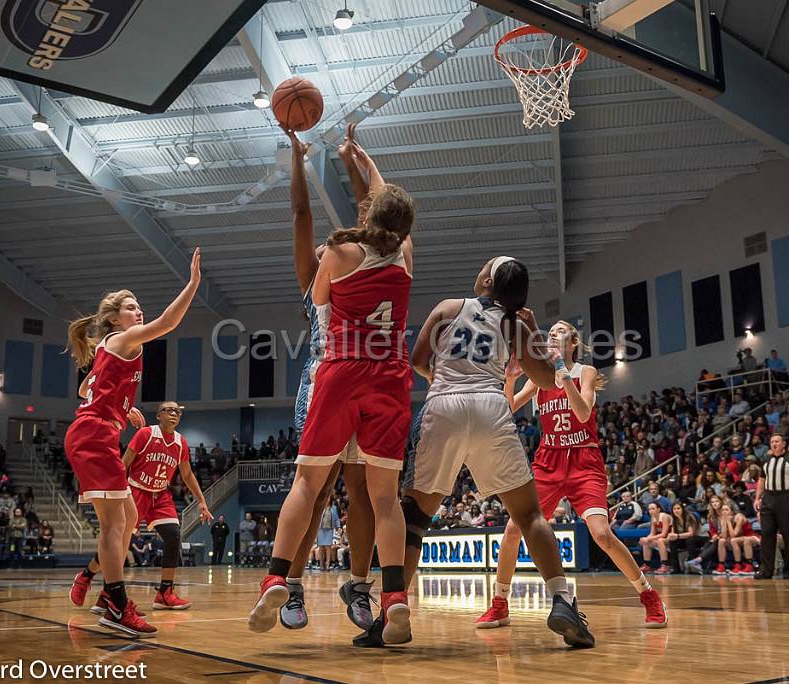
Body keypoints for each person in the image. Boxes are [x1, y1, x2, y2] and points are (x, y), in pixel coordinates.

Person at [249, 132, 416, 647]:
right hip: (388, 378)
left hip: (338, 372)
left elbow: (314, 252)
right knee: (371, 497)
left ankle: (294, 579)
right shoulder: (403, 253)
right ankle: (379, 595)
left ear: (368, 222)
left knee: (317, 486)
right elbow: (386, 213)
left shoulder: (337, 256)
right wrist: (363, 163)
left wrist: (303, 162)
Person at [402, 260, 594, 647]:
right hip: (491, 406)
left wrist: (446, 379)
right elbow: (543, 378)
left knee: (416, 518)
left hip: (444, 405)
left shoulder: (448, 307)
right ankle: (561, 599)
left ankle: (393, 609)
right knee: (528, 514)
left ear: (487, 280)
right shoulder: (515, 324)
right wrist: (533, 331)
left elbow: (418, 362)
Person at [479, 319, 665, 630]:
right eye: (550, 331)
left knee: (602, 535)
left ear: (574, 342)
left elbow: (582, 414)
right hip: (549, 461)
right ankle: (499, 604)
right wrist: (510, 380)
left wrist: (563, 375)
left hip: (583, 460)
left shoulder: (585, 372)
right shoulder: (539, 378)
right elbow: (508, 409)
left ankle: (649, 596)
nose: (552, 333)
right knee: (512, 530)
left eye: (560, 330)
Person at [64, 250, 201, 638]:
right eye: (130, 307)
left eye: (139, 307)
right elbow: (169, 321)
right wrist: (192, 284)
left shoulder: (111, 345)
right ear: (113, 318)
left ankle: (105, 589)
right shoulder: (124, 339)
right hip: (93, 436)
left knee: (124, 522)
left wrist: (124, 409)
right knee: (116, 525)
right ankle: (116, 603)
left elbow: (85, 387)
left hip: (98, 431)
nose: (138, 312)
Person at [273, 125, 377, 634]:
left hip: (366, 380)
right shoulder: (311, 278)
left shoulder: (362, 266)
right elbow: (301, 215)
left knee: (363, 488)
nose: (323, 254)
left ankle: (357, 584)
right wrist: (298, 158)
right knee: (315, 490)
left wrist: (350, 162)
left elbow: (369, 218)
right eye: (317, 254)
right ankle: (291, 584)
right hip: (323, 380)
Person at [120, 401, 211, 610]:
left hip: (160, 494)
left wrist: (201, 502)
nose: (174, 414)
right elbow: (124, 463)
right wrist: (119, 491)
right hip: (136, 490)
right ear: (159, 415)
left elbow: (187, 474)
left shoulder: (181, 443)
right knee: (120, 540)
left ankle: (165, 593)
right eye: (169, 410)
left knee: (173, 535)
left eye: (177, 411)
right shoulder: (145, 434)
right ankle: (98, 584)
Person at [754, 435, 789, 579]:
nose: (774, 444)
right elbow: (761, 480)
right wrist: (757, 497)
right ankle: (766, 570)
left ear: (783, 444)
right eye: (772, 442)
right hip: (768, 498)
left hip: (788, 498)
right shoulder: (766, 460)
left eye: (777, 441)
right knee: (766, 534)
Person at [639, 502, 673, 574]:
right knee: (646, 543)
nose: (651, 511)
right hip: (663, 539)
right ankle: (647, 565)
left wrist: (649, 538)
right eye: (649, 509)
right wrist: (645, 539)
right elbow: (652, 533)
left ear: (658, 509)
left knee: (660, 541)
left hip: (672, 538)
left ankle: (665, 565)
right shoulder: (653, 518)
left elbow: (664, 534)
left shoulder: (664, 517)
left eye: (653, 509)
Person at [667, 501, 700, 573]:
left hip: (698, 538)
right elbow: (673, 533)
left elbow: (691, 533)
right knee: (672, 542)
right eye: (674, 509)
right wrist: (671, 536)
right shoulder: (674, 519)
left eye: (678, 508)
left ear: (682, 509)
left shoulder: (689, 516)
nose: (676, 510)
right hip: (683, 538)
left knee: (690, 540)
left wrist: (677, 536)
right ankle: (676, 568)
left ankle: (692, 566)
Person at [727, 506, 759, 577]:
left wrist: (728, 522)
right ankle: (738, 565)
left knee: (743, 540)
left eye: (727, 510)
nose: (724, 512)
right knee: (733, 541)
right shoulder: (725, 519)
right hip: (743, 538)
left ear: (732, 512)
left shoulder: (739, 517)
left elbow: (734, 534)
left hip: (752, 537)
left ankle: (750, 566)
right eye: (723, 510)